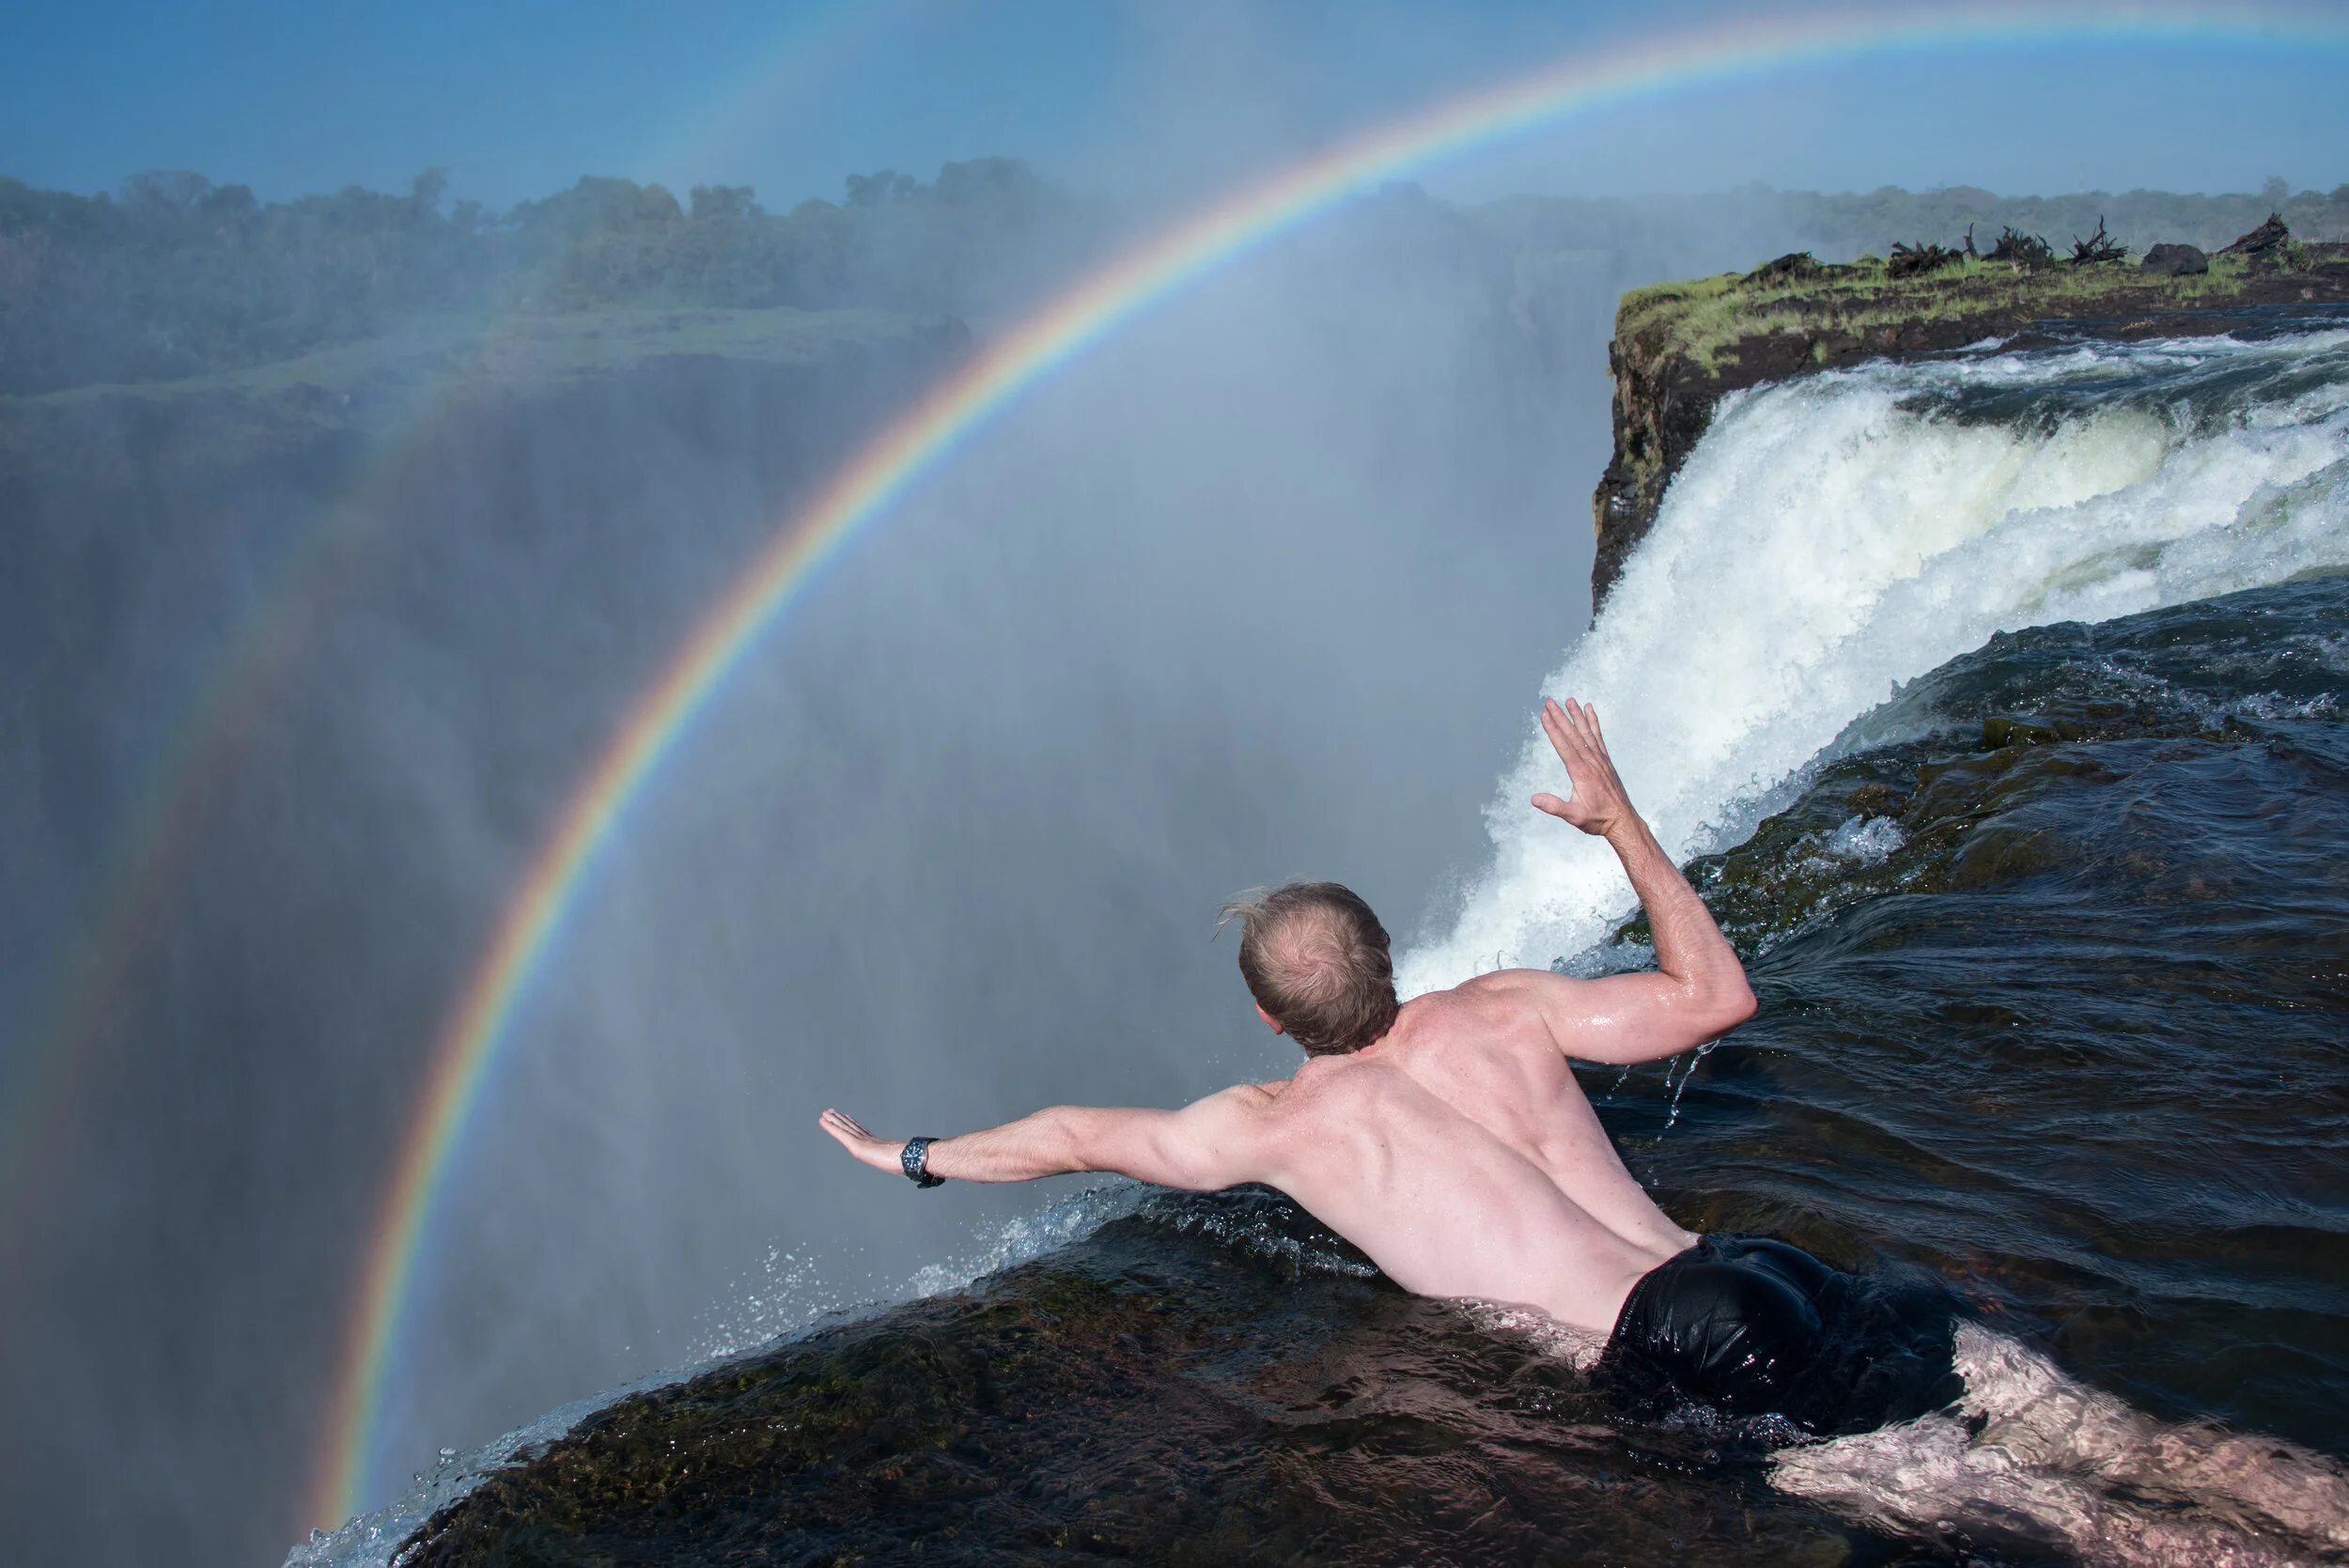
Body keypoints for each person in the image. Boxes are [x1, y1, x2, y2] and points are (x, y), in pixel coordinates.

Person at [824, 696, 1960, 1433]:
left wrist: (910, 1154)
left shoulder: (1276, 1125)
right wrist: (1616, 821)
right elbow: (1718, 996)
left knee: (1985, 1508)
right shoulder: (1506, 1005)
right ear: (1390, 956)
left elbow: (1072, 1136)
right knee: (2055, 1427)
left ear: (1271, 1021)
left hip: (1666, 1332)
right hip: (1751, 1264)